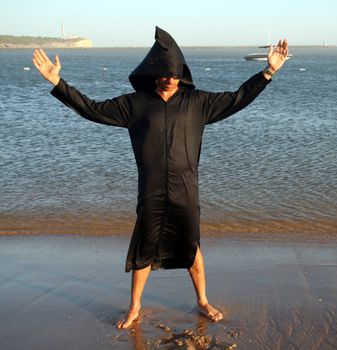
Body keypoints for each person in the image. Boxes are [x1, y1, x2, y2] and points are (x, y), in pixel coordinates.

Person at [32, 26, 289, 329]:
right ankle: (134, 308)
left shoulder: (199, 103)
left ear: (182, 74)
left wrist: (268, 72)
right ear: (154, 73)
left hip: (185, 190)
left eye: (174, 73)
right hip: (151, 190)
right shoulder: (134, 105)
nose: (169, 78)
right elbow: (92, 109)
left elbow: (238, 98)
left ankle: (203, 301)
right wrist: (58, 83)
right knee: (144, 246)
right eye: (163, 73)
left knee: (191, 246)